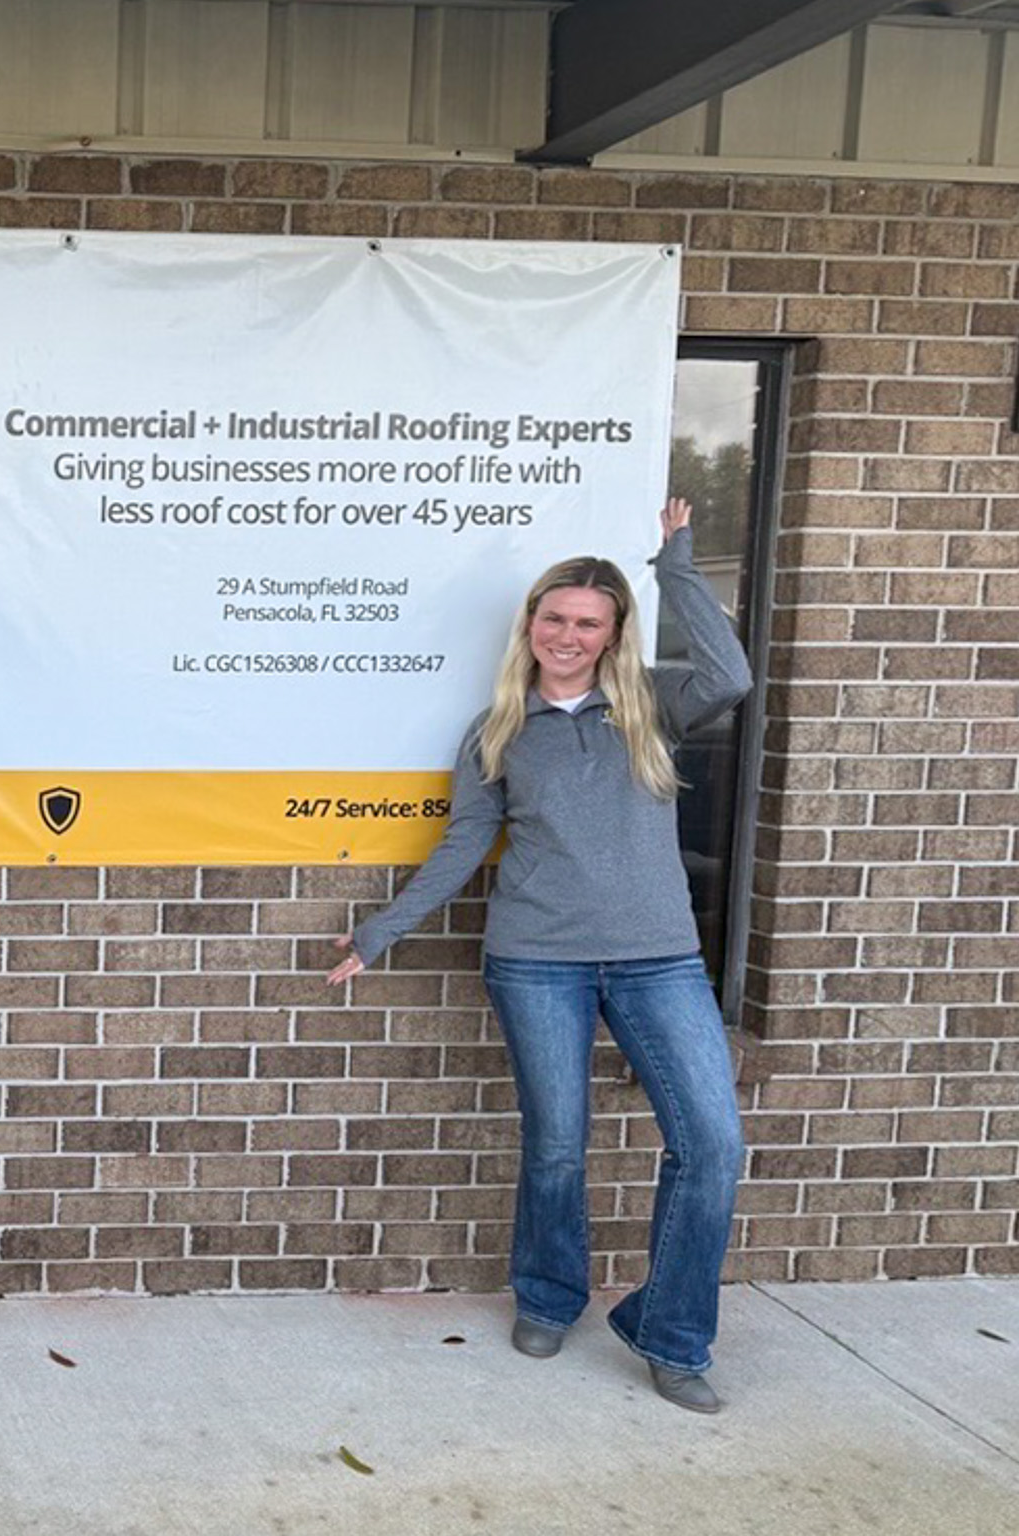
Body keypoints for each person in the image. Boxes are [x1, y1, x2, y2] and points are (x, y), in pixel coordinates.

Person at [326, 498, 751, 1414]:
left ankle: (671, 1335)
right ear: (530, 624)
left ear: (613, 634)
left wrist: (677, 565)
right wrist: (382, 930)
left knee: (712, 1144)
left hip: (658, 960)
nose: (567, 635)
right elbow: (460, 846)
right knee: (557, 1144)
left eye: (588, 623)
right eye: (554, 617)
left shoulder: (653, 708)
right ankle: (549, 1297)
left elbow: (732, 674)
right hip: (537, 962)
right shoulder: (498, 730)